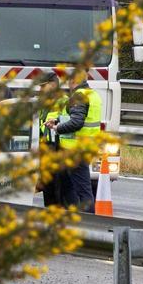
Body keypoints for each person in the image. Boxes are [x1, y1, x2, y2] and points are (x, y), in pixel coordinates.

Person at [42, 77, 100, 212]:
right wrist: (57, 121)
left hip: (75, 150)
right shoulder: (91, 94)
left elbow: (77, 122)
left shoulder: (79, 96)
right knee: (68, 185)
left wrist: (58, 128)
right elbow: (75, 117)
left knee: (83, 190)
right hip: (83, 147)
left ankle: (90, 222)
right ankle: (70, 214)